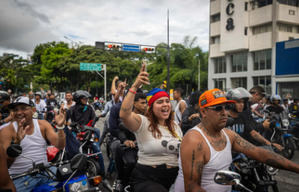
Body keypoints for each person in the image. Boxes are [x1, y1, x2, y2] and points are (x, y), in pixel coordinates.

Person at [174, 88, 299, 192]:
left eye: (226, 107)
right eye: (218, 108)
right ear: (203, 111)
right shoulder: (194, 140)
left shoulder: (228, 135)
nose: (224, 112)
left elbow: (259, 153)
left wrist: (296, 168)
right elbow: (191, 187)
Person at [119, 64, 182, 192]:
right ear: (151, 107)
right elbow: (124, 114)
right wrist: (135, 86)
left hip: (174, 178)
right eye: (159, 102)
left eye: (166, 101)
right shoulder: (143, 122)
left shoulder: (175, 126)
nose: (165, 104)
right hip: (147, 179)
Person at [0, 96, 66, 191]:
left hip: (46, 172)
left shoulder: (43, 124)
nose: (19, 113)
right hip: (21, 178)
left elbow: (60, 145)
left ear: (33, 110)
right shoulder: (6, 131)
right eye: (15, 110)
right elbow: (5, 165)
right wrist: (17, 143)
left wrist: (60, 127)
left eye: (23, 108)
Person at [109, 90, 147, 191]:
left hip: (146, 147)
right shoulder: (127, 115)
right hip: (130, 146)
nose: (145, 105)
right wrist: (125, 140)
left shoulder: (149, 115)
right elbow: (121, 127)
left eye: (146, 102)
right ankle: (121, 181)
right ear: (134, 103)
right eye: (142, 103)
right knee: (130, 162)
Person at [66, 90, 105, 175]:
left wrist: (92, 124)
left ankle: (103, 173)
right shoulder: (71, 110)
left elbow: (94, 118)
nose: (86, 99)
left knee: (97, 148)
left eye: (86, 98)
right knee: (74, 151)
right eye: (84, 98)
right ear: (78, 99)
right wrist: (72, 124)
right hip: (77, 134)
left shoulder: (90, 108)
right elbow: (65, 121)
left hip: (89, 133)